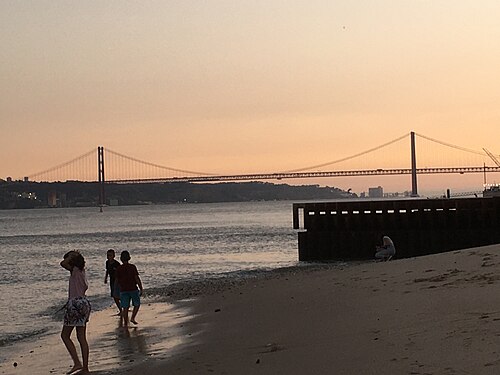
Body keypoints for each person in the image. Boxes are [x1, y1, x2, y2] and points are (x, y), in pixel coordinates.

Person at [60, 251, 91, 375]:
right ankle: (85, 368)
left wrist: (71, 256)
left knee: (65, 335)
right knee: (81, 337)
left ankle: (77, 362)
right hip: (84, 303)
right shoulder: (82, 272)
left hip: (75, 304)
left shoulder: (75, 270)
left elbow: (62, 263)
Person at [115, 250, 144, 327]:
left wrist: (116, 290)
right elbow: (136, 278)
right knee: (137, 304)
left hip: (123, 290)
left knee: (125, 307)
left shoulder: (119, 268)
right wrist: (141, 288)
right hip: (133, 289)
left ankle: (125, 322)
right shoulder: (132, 267)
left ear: (121, 259)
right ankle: (132, 318)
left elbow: (117, 280)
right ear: (129, 258)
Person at [104, 249, 121, 314]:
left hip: (118, 281)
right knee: (114, 296)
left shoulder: (117, 264)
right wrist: (105, 278)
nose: (108, 257)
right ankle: (120, 309)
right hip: (112, 281)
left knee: (118, 295)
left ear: (113, 256)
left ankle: (124, 306)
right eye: (107, 255)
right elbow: (107, 270)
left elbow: (120, 273)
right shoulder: (107, 262)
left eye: (110, 255)